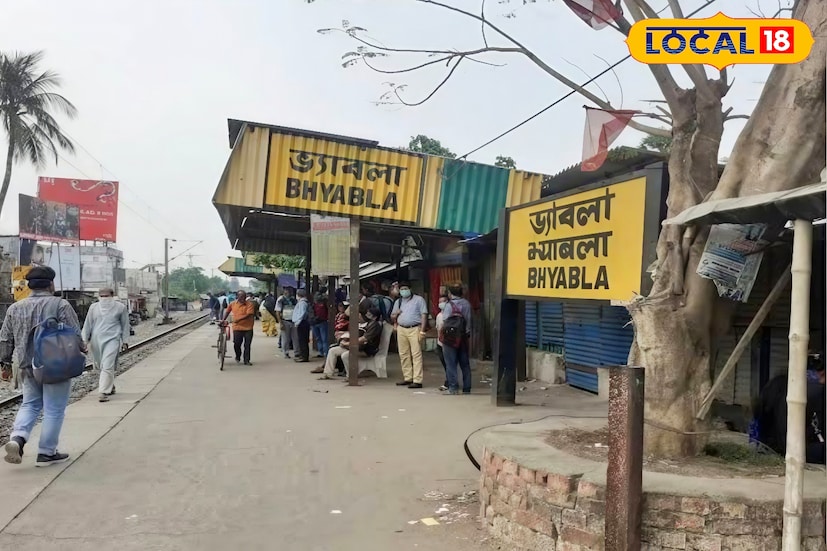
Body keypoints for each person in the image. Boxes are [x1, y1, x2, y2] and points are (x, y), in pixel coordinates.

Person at [1, 266, 84, 467]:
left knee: (30, 404)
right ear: (51, 284)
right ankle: (47, 452)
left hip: (26, 365)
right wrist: (82, 348)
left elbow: (5, 338)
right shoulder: (60, 305)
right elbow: (75, 332)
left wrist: (4, 363)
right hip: (56, 365)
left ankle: (18, 438)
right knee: (54, 409)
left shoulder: (15, 308)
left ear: (29, 286)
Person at [753, 351, 825, 465]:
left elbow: (756, 423)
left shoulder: (777, 382)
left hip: (771, 448)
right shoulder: (815, 390)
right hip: (796, 450)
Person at [82, 288, 130, 403]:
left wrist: (125, 340)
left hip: (113, 339)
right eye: (102, 296)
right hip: (96, 340)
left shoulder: (120, 307)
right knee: (100, 365)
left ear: (112, 295)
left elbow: (125, 325)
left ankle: (102, 392)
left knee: (107, 364)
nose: (104, 298)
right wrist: (84, 340)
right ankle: (110, 385)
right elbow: (88, 324)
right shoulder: (93, 307)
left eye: (106, 296)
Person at [317, 306, 383, 379]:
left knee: (345, 355)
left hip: (365, 349)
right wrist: (343, 335)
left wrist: (347, 344)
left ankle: (351, 376)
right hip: (354, 346)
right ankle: (328, 373)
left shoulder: (374, 325)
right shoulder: (360, 323)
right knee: (332, 351)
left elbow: (363, 339)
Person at [390, 281, 429, 389]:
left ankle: (417, 380)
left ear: (410, 289)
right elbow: (392, 317)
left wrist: (422, 330)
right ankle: (408, 378)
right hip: (401, 329)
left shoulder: (419, 300)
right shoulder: (398, 301)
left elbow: (424, 315)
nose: (403, 291)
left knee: (416, 355)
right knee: (403, 354)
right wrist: (396, 314)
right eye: (401, 289)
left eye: (405, 289)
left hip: (414, 328)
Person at [440, 284, 473, 395]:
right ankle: (467, 388)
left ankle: (453, 388)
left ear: (450, 293)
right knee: (465, 364)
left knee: (450, 363)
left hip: (450, 338)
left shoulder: (449, 305)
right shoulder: (467, 304)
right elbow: (468, 320)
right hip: (463, 336)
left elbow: (445, 321)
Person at [223, 290, 256, 366]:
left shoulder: (249, 304)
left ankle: (246, 360)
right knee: (237, 344)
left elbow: (249, 314)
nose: (242, 298)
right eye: (240, 296)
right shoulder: (233, 304)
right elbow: (227, 311)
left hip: (248, 328)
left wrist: (239, 319)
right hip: (237, 328)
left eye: (244, 296)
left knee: (247, 345)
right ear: (237, 297)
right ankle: (238, 356)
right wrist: (223, 319)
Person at [434, 295, 450, 392]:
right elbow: (438, 329)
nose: (441, 304)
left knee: (450, 364)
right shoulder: (439, 316)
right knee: (445, 364)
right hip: (440, 343)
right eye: (440, 302)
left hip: (449, 343)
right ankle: (450, 381)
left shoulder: (450, 314)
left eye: (443, 301)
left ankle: (449, 382)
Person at [275, 288, 296, 358]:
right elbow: (277, 312)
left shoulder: (294, 299)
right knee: (285, 338)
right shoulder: (280, 300)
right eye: (287, 292)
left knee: (295, 338)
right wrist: (280, 323)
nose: (289, 293)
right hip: (285, 321)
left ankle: (297, 352)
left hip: (294, 321)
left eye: (290, 292)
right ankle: (286, 353)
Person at [292, 289, 311, 363]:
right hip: (303, 322)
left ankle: (304, 357)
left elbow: (302, 313)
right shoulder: (303, 302)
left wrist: (297, 322)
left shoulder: (302, 303)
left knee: (303, 340)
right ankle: (303, 355)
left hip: (302, 323)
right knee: (302, 340)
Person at [310, 290, 329, 358]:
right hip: (323, 322)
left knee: (319, 338)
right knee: (324, 339)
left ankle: (321, 352)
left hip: (315, 322)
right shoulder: (325, 303)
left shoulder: (314, 304)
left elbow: (311, 312)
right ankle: (326, 353)